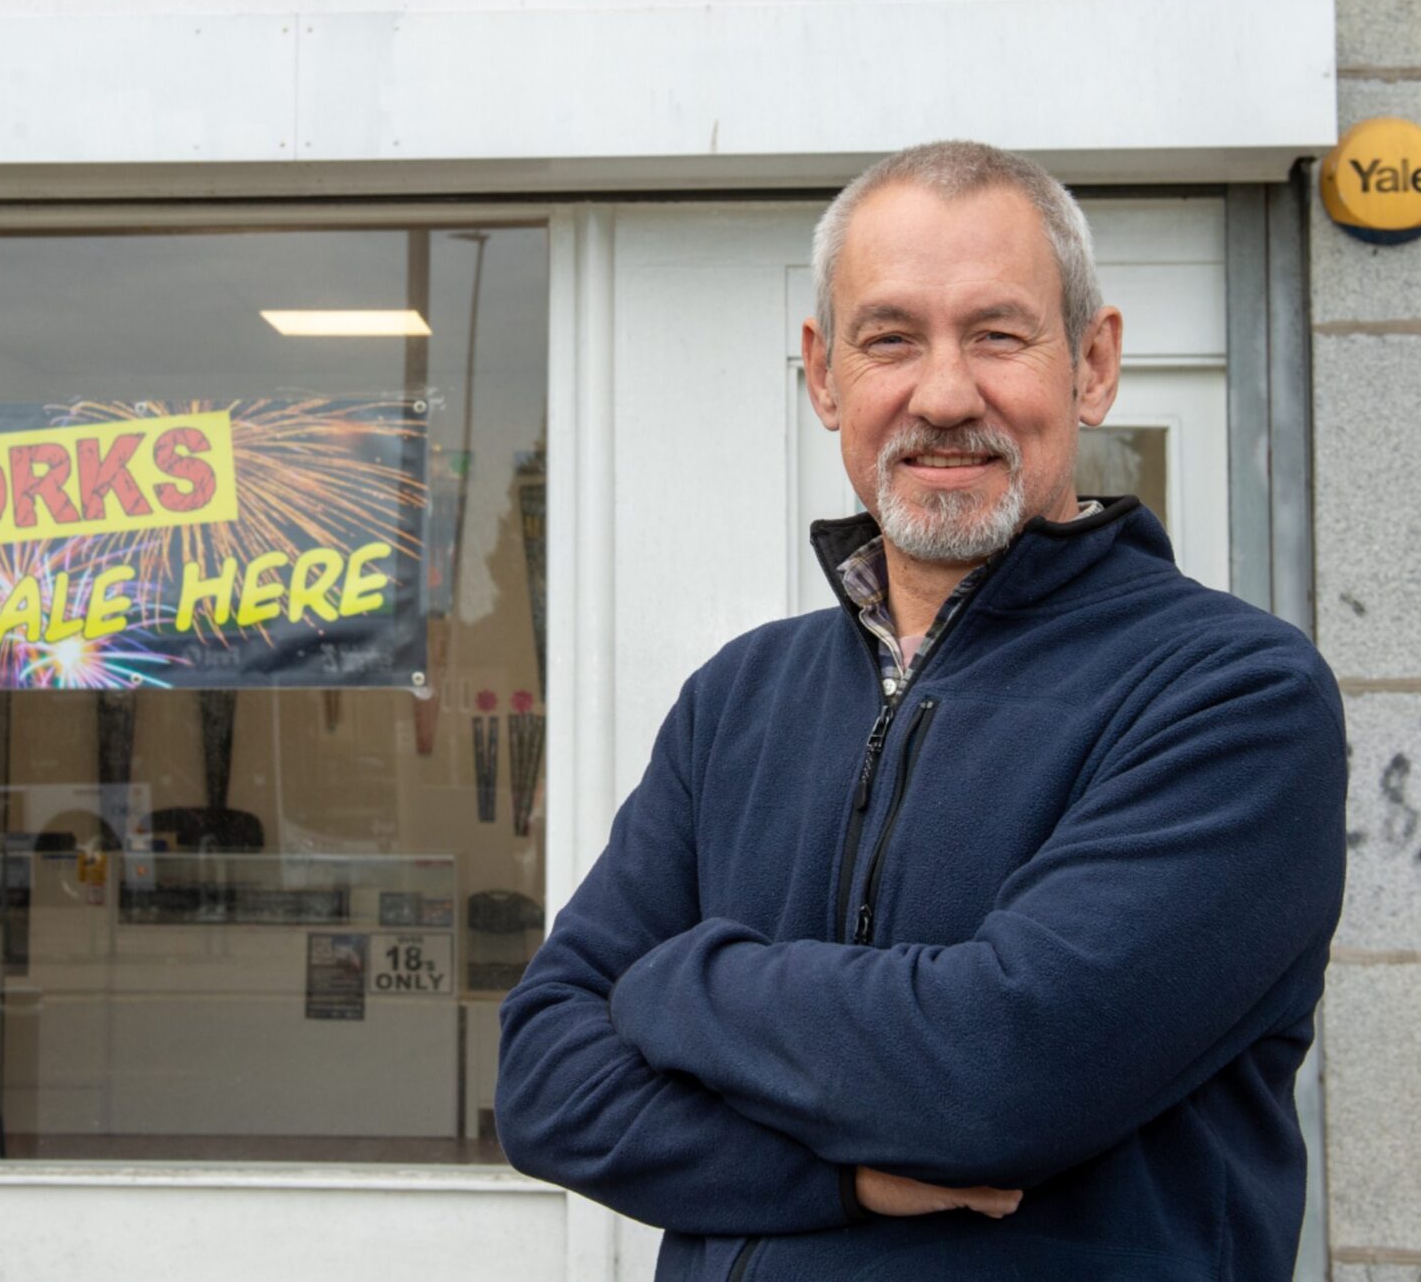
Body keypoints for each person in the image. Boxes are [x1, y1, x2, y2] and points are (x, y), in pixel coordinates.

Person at [495, 142, 1347, 1282]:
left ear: (1091, 364)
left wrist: (672, 978)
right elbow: (546, 1082)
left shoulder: (1231, 694)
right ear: (823, 376)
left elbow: (996, 1073)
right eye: (890, 338)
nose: (943, 395)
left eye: (997, 335)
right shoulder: (740, 699)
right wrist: (836, 1179)